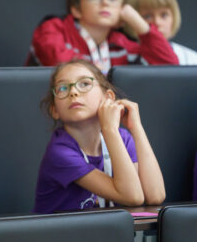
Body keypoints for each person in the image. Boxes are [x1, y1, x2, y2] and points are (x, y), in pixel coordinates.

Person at [34, 59, 165, 213]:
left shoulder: (122, 138)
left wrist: (136, 127)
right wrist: (109, 128)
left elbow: (156, 195)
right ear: (54, 110)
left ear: (108, 97)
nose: (73, 92)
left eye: (84, 84)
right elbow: (133, 197)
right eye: (63, 88)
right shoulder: (60, 153)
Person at [27, 0, 179, 72]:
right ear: (76, 9)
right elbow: (60, 61)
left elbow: (170, 68)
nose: (105, 3)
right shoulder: (53, 28)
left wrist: (140, 24)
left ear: (121, 9)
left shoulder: (121, 44)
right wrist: (104, 74)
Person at [126, 0, 197, 65]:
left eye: (164, 15)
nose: (157, 22)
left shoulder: (192, 59)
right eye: (147, 16)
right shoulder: (122, 55)